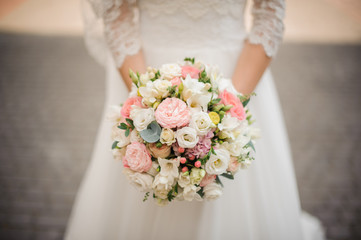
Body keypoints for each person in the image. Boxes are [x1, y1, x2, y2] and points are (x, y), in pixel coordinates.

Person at [65, 0, 325, 239]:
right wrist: (148, 107)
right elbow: (117, 16)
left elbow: (269, 15)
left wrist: (229, 110)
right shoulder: (147, 96)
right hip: (146, 72)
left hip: (238, 76)